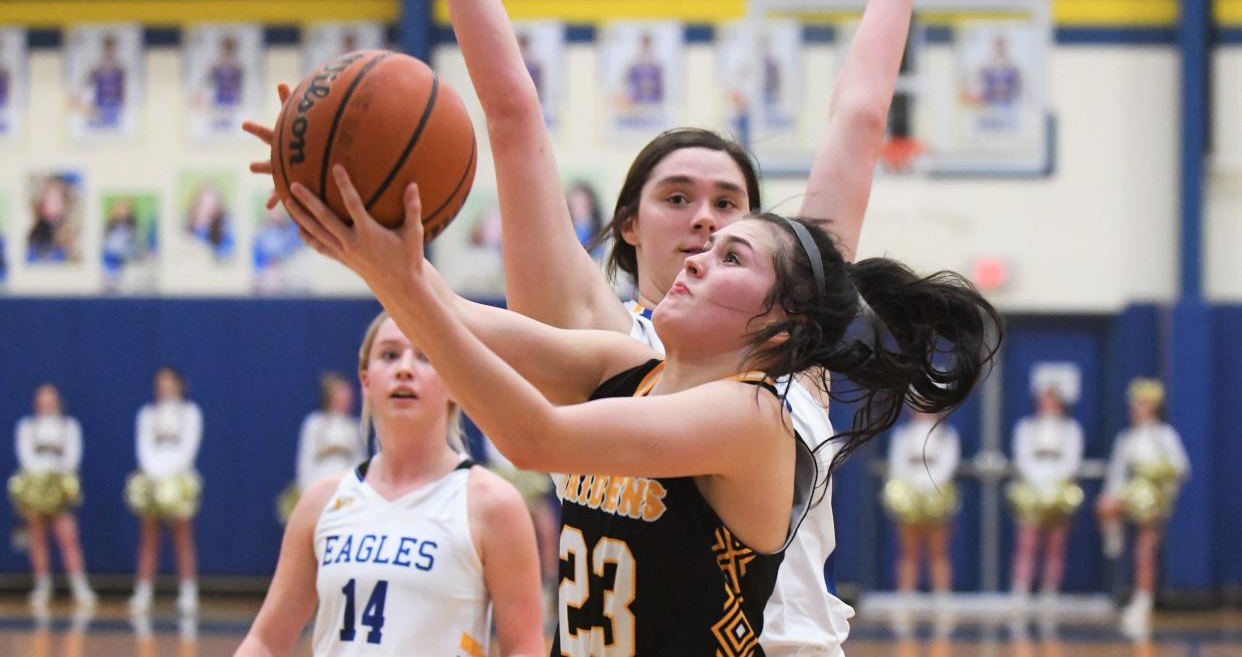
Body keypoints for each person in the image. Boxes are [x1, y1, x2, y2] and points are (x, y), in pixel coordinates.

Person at [240, 0, 986, 653]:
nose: (706, 229)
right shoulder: (619, 350)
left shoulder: (771, 393)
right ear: (628, 223)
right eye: (680, 200)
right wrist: (361, 242)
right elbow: (508, 145)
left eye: (731, 214)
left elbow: (858, 123)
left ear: (783, 307)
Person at [281, 156, 1000, 651]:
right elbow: (455, 314)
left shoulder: (751, 417)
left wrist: (397, 278)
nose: (695, 256)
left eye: (732, 257)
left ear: (785, 325)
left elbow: (531, 436)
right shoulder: (631, 366)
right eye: (709, 245)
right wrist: (350, 229)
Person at [236, 311, 544, 657]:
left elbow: (524, 648)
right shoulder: (322, 501)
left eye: (425, 356)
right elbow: (266, 640)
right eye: (390, 355)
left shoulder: (492, 503)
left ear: (456, 381)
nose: (405, 368)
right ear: (366, 381)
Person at [1096, 378, 1190, 635]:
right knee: (1105, 508)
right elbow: (1117, 473)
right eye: (1135, 404)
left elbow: (1180, 468)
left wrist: (1162, 492)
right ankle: (1113, 539)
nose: (1136, 409)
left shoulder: (1165, 436)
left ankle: (1143, 600)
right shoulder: (1126, 438)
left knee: (1145, 551)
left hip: (1153, 499)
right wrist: (1111, 497)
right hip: (1131, 493)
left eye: (1142, 404)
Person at [8, 383, 96, 608]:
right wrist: (39, 481)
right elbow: (25, 456)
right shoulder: (27, 427)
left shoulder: (69, 427)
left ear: (58, 401)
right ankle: (42, 585)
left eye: (50, 400)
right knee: (36, 537)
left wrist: (56, 480)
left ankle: (79, 586)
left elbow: (72, 457)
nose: (46, 405)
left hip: (60, 488)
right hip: (35, 486)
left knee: (67, 536)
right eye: (41, 401)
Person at [125, 366, 203, 616]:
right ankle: (144, 591)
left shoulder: (190, 413)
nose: (164, 387)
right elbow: (143, 448)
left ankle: (188, 592)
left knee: (183, 537)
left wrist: (172, 475)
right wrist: (155, 475)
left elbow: (190, 446)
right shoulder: (147, 414)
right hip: (152, 477)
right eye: (160, 383)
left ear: (179, 384)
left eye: (169, 382)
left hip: (179, 478)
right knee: (148, 539)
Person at [1007, 366, 1084, 609]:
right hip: (1032, 489)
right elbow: (1022, 457)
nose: (1047, 403)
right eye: (1044, 398)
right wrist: (1038, 482)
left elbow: (1072, 460)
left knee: (1056, 542)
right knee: (1027, 541)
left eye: (1052, 399)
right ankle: (1021, 589)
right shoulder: (1026, 428)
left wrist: (1054, 484)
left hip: (1059, 491)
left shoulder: (1071, 430)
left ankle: (1050, 590)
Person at [882, 410, 961, 603]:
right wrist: (912, 489)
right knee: (908, 552)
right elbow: (897, 464)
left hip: (937, 497)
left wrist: (930, 486)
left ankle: (943, 601)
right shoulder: (902, 435)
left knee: (939, 552)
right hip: (910, 497)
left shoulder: (946, 435)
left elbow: (949, 464)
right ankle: (905, 599)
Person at [276, 373, 366, 524]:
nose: (347, 397)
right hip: (320, 483)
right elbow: (305, 460)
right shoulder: (315, 423)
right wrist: (307, 493)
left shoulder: (354, 427)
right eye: (341, 393)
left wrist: (360, 489)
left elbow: (360, 460)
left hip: (347, 488)